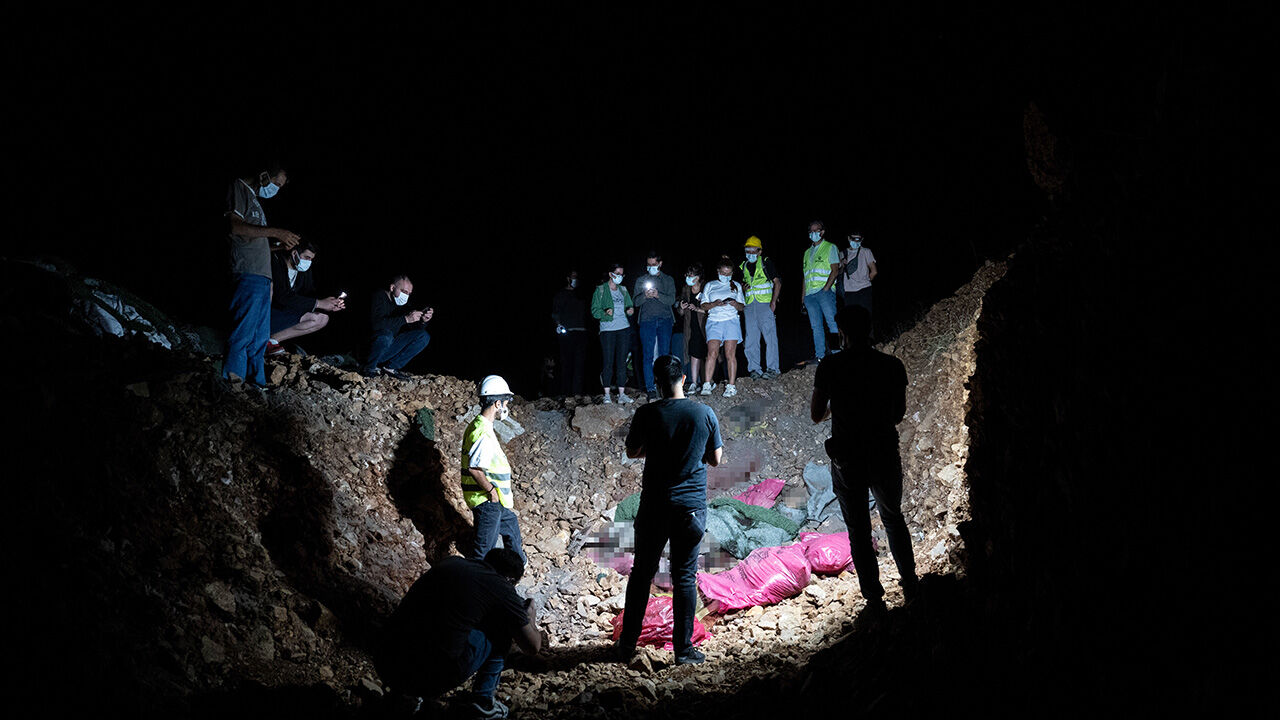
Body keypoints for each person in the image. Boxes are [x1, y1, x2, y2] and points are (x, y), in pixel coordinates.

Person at [810, 306, 919, 606]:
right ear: (869, 327)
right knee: (894, 518)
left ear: (841, 330)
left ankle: (874, 599)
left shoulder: (830, 367)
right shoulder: (892, 365)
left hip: (848, 457)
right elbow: (897, 414)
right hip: (883, 450)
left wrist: (840, 405)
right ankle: (911, 586)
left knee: (858, 531)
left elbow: (817, 414)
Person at [619, 355, 723, 664]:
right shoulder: (703, 413)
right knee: (684, 577)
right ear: (683, 379)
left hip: (654, 506)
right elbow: (716, 459)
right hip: (689, 508)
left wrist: (658, 447)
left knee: (641, 575)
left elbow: (632, 450)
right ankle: (684, 651)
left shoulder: (647, 413)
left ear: (657, 384)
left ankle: (626, 646)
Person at [375, 548, 541, 719]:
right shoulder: (501, 587)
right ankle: (482, 701)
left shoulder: (452, 562)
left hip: (385, 661)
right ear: (510, 580)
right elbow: (532, 647)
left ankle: (402, 695)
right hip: (428, 678)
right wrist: (530, 617)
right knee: (503, 626)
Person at [223, 162, 300, 386]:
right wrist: (276, 231)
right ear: (264, 174)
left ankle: (256, 382)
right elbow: (234, 227)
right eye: (276, 183)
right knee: (243, 332)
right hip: (247, 271)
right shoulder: (238, 187)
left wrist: (278, 245)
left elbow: (256, 240)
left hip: (263, 275)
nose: (276, 189)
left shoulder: (255, 199)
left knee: (259, 337)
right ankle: (233, 384)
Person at [460, 375, 527, 564]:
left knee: (510, 524)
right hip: (486, 500)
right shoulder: (483, 432)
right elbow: (474, 468)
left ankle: (518, 563)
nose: (507, 406)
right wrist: (491, 491)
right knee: (483, 551)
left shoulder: (479, 425)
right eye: (506, 401)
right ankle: (477, 582)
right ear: (498, 404)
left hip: (493, 500)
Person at [267, 241, 345, 354]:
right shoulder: (276, 263)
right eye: (306, 257)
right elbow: (282, 296)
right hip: (268, 313)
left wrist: (330, 303)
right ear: (294, 253)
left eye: (311, 259)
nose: (308, 262)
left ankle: (272, 340)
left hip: (285, 313)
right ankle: (260, 337)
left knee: (322, 319)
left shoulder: (303, 272)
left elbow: (308, 294)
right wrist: (319, 303)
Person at [361, 275, 432, 380]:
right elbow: (375, 325)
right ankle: (368, 368)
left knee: (423, 336)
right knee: (386, 334)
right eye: (404, 291)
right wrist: (405, 319)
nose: (406, 296)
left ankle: (390, 368)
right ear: (392, 288)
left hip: (387, 348)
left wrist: (423, 320)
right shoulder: (378, 296)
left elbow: (409, 329)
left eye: (409, 293)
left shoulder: (401, 304)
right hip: (368, 348)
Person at [632, 251, 678, 400]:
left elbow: (671, 299)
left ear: (660, 264)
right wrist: (645, 295)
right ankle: (650, 389)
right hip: (647, 321)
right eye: (648, 264)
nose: (651, 267)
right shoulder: (641, 280)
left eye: (654, 264)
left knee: (664, 356)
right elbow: (636, 302)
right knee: (648, 355)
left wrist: (658, 295)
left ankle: (664, 388)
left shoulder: (668, 279)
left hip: (665, 320)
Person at [697, 257, 745, 398]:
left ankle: (731, 386)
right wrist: (714, 304)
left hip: (731, 321)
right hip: (714, 321)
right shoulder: (710, 285)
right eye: (723, 273)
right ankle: (706, 384)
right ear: (718, 271)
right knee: (712, 352)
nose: (726, 276)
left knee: (730, 354)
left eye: (728, 274)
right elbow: (703, 305)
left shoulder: (736, 285)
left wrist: (735, 303)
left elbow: (742, 307)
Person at [739, 235, 783, 379]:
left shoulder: (766, 263)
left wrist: (773, 302)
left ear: (759, 251)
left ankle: (772, 368)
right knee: (751, 338)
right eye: (748, 251)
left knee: (769, 337)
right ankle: (754, 369)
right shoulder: (743, 266)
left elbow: (777, 282)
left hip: (765, 304)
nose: (750, 254)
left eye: (753, 251)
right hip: (750, 306)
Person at [591, 263, 635, 404]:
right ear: (611, 274)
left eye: (622, 274)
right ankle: (607, 394)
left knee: (622, 362)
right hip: (607, 330)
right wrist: (604, 313)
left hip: (623, 328)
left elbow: (630, 306)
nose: (620, 277)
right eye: (617, 273)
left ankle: (622, 394)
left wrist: (630, 311)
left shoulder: (623, 289)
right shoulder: (601, 290)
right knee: (608, 362)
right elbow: (594, 310)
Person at [800, 219, 841, 362]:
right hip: (810, 296)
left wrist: (826, 289)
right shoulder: (806, 252)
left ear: (822, 232)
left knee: (832, 322)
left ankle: (837, 353)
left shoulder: (830, 247)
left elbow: (835, 270)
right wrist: (803, 297)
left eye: (816, 230)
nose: (813, 233)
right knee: (815, 326)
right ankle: (820, 356)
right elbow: (805, 276)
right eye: (810, 231)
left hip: (824, 292)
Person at [551, 270, 588, 396]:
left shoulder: (582, 294)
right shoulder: (561, 294)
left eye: (577, 277)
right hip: (567, 333)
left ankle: (577, 394)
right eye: (573, 277)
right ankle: (565, 394)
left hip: (581, 332)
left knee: (580, 365)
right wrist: (558, 325)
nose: (575, 279)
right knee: (566, 363)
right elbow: (555, 313)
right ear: (568, 278)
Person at [676, 264, 708, 393]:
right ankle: (694, 383)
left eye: (691, 275)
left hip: (705, 325)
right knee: (694, 353)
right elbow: (680, 311)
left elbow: (712, 307)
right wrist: (681, 308)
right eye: (687, 275)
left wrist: (699, 309)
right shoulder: (686, 289)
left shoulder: (707, 287)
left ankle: (707, 381)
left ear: (698, 276)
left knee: (708, 354)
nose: (688, 278)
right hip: (691, 326)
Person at [839, 233, 878, 335]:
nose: (856, 242)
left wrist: (865, 282)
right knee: (851, 321)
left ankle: (870, 344)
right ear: (848, 238)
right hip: (849, 292)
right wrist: (842, 264)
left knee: (866, 318)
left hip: (864, 290)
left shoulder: (866, 251)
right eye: (853, 239)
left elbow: (874, 271)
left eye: (858, 239)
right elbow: (837, 273)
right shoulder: (841, 253)